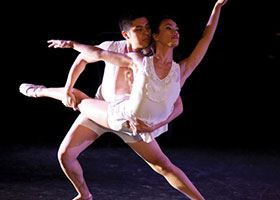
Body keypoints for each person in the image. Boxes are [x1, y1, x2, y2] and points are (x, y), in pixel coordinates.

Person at [20, 0, 227, 199]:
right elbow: (94, 54)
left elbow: (204, 42)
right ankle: (84, 194)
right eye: (139, 29)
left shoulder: (171, 66)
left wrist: (152, 127)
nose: (145, 33)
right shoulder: (130, 56)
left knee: (163, 166)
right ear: (126, 34)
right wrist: (70, 68)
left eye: (147, 28)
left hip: (132, 123)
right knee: (67, 145)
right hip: (106, 111)